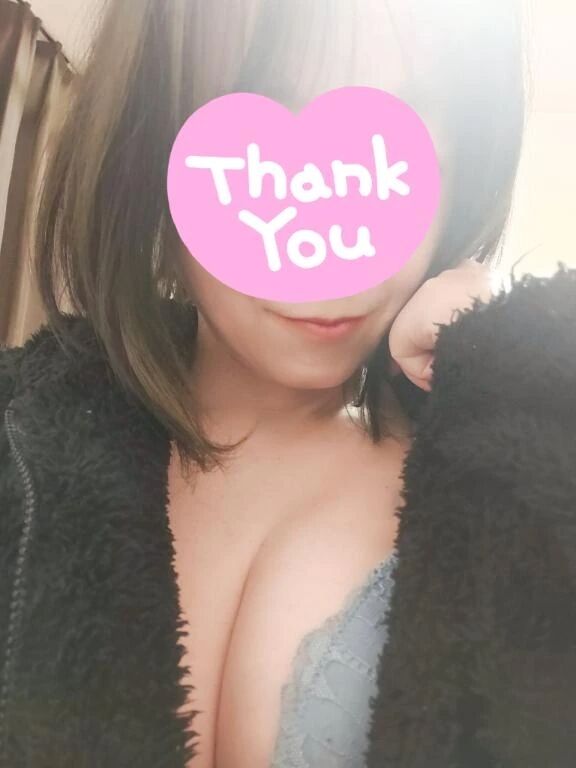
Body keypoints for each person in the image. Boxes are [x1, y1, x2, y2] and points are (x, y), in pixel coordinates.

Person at [2, 1, 575, 767]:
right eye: (256, 144)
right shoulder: (21, 441)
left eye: (383, 146)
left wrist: (516, 369)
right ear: (151, 142)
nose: (326, 243)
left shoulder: (499, 478)